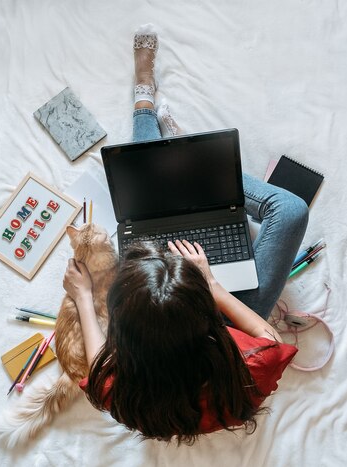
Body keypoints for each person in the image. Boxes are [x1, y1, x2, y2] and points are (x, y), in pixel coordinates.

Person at [62, 25, 309, 444]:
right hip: (217, 330)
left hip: (189, 328)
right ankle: (190, 163)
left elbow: (99, 355)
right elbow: (267, 338)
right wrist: (212, 284)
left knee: (151, 199)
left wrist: (85, 297)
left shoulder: (118, 388)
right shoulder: (245, 366)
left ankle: (147, 103)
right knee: (291, 209)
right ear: (204, 317)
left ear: (129, 333)